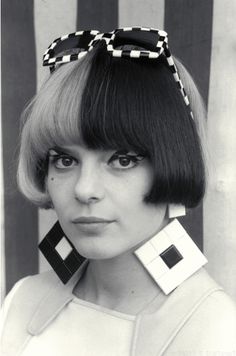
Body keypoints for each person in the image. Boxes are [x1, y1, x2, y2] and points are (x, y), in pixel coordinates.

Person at [1, 27, 236, 356]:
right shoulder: (21, 301)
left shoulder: (216, 330)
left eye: (122, 160)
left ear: (176, 161)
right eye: (65, 160)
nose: (85, 189)